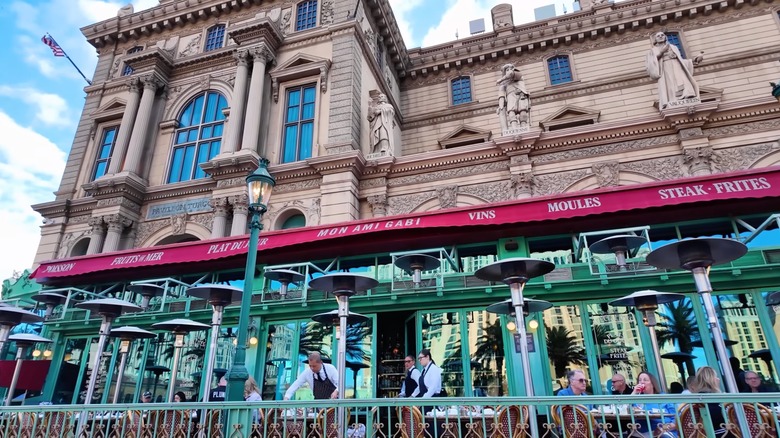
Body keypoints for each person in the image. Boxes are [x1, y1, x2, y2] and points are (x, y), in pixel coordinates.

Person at [645, 31, 699, 109]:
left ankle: (687, 94)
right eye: (658, 36)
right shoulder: (653, 50)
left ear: (665, 37)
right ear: (655, 40)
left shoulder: (673, 47)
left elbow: (680, 60)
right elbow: (651, 63)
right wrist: (661, 52)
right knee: (670, 83)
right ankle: (673, 98)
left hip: (676, 65)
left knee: (684, 79)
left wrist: (693, 61)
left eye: (662, 35)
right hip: (665, 67)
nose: (660, 36)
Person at [689, 366, 736, 438]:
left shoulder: (695, 401)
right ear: (711, 380)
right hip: (723, 434)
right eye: (716, 376)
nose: (718, 379)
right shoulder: (715, 401)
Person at [630, 371, 676, 437]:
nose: (642, 382)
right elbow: (625, 408)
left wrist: (665, 428)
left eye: (645, 380)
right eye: (639, 380)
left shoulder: (664, 397)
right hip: (642, 434)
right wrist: (634, 393)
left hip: (664, 432)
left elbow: (676, 418)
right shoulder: (636, 399)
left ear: (653, 384)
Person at [496, 63, 530, 131]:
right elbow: (501, 95)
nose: (509, 71)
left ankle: (523, 127)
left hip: (521, 95)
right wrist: (501, 106)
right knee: (511, 112)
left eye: (510, 69)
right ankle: (514, 128)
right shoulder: (504, 84)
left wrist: (501, 79)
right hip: (510, 97)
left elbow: (511, 74)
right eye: (507, 70)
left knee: (523, 111)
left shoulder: (519, 75)